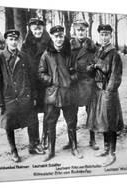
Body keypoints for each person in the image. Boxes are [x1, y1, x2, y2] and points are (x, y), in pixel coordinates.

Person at [0, 29, 45, 163]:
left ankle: (33, 145)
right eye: (11, 39)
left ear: (19, 41)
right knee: (9, 124)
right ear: (6, 41)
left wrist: (35, 96)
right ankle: (13, 150)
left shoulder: (24, 56)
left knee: (32, 121)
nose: (13, 42)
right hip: (8, 98)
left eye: (16, 40)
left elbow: (32, 78)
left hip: (24, 96)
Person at [39, 25, 83, 161]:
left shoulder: (69, 53)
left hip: (69, 93)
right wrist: (51, 79)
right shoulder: (46, 54)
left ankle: (74, 147)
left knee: (71, 122)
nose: (59, 39)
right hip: (52, 95)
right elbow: (40, 73)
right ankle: (51, 151)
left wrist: (70, 78)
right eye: (56, 36)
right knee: (50, 123)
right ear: (51, 37)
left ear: (64, 37)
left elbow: (77, 72)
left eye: (61, 36)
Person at [86, 24, 124, 167]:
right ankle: (106, 148)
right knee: (102, 122)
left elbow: (116, 76)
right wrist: (92, 67)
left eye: (106, 34)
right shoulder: (99, 51)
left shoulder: (114, 54)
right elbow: (91, 68)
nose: (104, 37)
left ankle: (112, 153)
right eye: (101, 34)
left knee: (111, 123)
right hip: (98, 91)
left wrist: (109, 91)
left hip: (108, 92)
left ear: (111, 36)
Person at [61, 20, 99, 151]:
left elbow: (98, 64)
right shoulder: (68, 47)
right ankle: (72, 141)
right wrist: (70, 74)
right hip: (73, 84)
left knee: (91, 113)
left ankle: (92, 140)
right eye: (78, 30)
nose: (81, 32)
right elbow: (64, 65)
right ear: (74, 31)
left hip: (89, 84)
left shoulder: (93, 47)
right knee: (71, 115)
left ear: (86, 31)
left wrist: (93, 68)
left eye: (83, 30)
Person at [21, 18, 51, 150]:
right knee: (31, 114)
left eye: (40, 28)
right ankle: (34, 142)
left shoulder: (50, 43)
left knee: (48, 112)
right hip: (32, 84)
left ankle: (46, 138)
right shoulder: (25, 45)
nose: (37, 31)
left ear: (43, 29)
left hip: (46, 84)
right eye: (34, 29)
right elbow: (23, 67)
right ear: (30, 30)